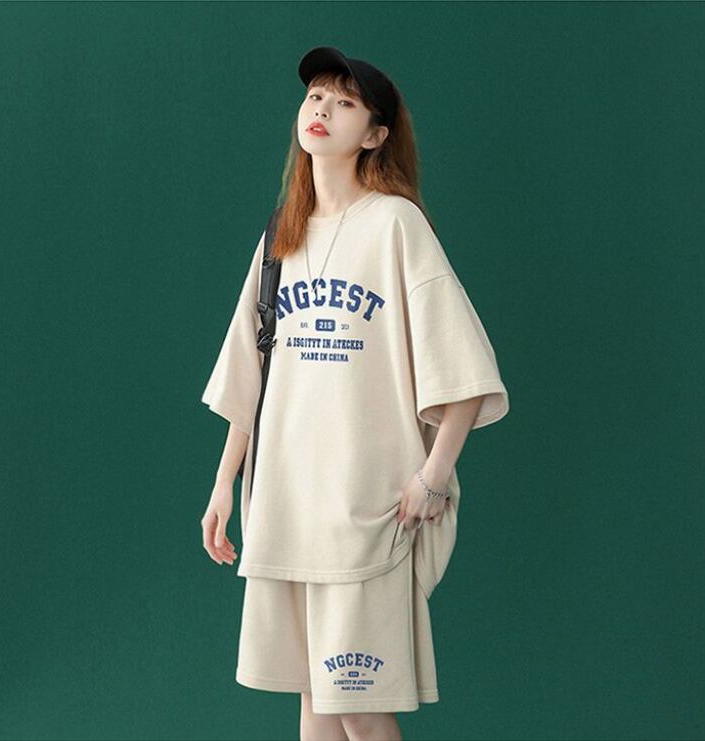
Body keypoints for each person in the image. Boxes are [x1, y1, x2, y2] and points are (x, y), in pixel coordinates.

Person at [200, 46, 510, 741]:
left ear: (374, 134)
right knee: (315, 702)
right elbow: (252, 377)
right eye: (315, 96)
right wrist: (223, 485)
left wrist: (433, 476)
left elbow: (464, 369)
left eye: (345, 102)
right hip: (287, 506)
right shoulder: (281, 236)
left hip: (365, 509)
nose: (322, 109)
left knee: (359, 708)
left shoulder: (395, 224)